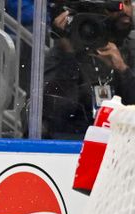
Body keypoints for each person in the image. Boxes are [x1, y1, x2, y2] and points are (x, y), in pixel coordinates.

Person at [43, 0, 135, 139]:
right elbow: (56, 112)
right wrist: (67, 52)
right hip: (74, 142)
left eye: (128, 3)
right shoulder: (63, 54)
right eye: (117, 4)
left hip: (122, 143)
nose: (125, 11)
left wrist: (123, 70)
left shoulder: (130, 51)